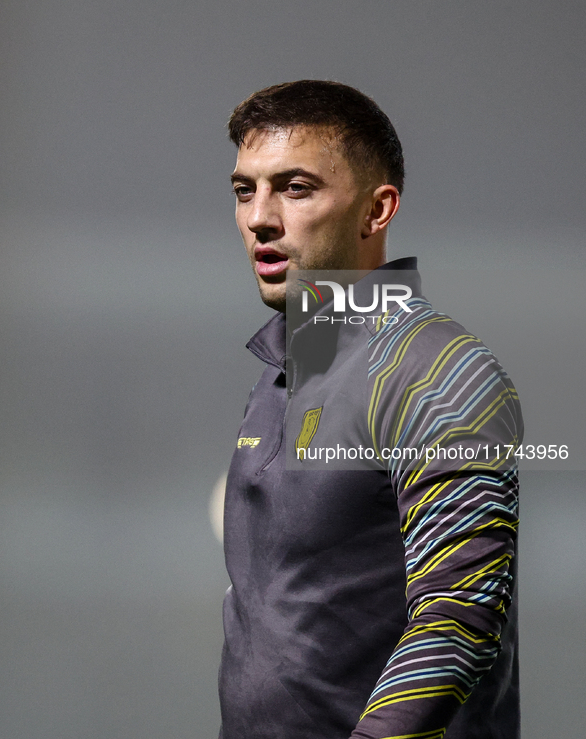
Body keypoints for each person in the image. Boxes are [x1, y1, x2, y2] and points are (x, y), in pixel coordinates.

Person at [219, 80, 523, 739]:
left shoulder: (435, 369)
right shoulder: (281, 373)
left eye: (295, 188)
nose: (259, 217)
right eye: (246, 189)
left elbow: (456, 616)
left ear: (375, 209)